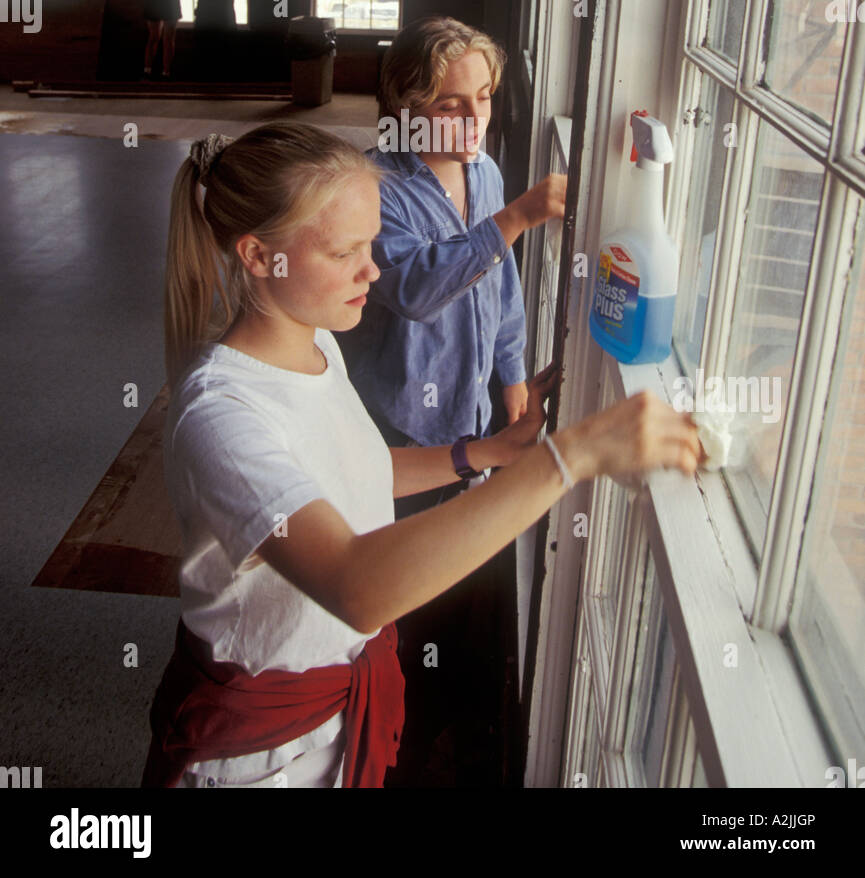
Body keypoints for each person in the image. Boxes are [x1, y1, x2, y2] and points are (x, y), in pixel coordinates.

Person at [141, 121, 701, 789]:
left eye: (370, 243)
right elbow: (357, 586)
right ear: (260, 256)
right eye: (344, 252)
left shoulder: (317, 345)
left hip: (329, 723)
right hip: (257, 758)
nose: (372, 271)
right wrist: (569, 459)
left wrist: (491, 450)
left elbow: (359, 474)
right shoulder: (221, 416)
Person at [336, 15, 567, 473]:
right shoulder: (372, 186)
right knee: (402, 536)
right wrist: (516, 217)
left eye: (483, 97)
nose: (475, 119)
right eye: (450, 107)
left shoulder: (485, 172)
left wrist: (513, 372)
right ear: (407, 111)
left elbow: (502, 285)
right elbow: (415, 291)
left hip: (472, 405)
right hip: (399, 422)